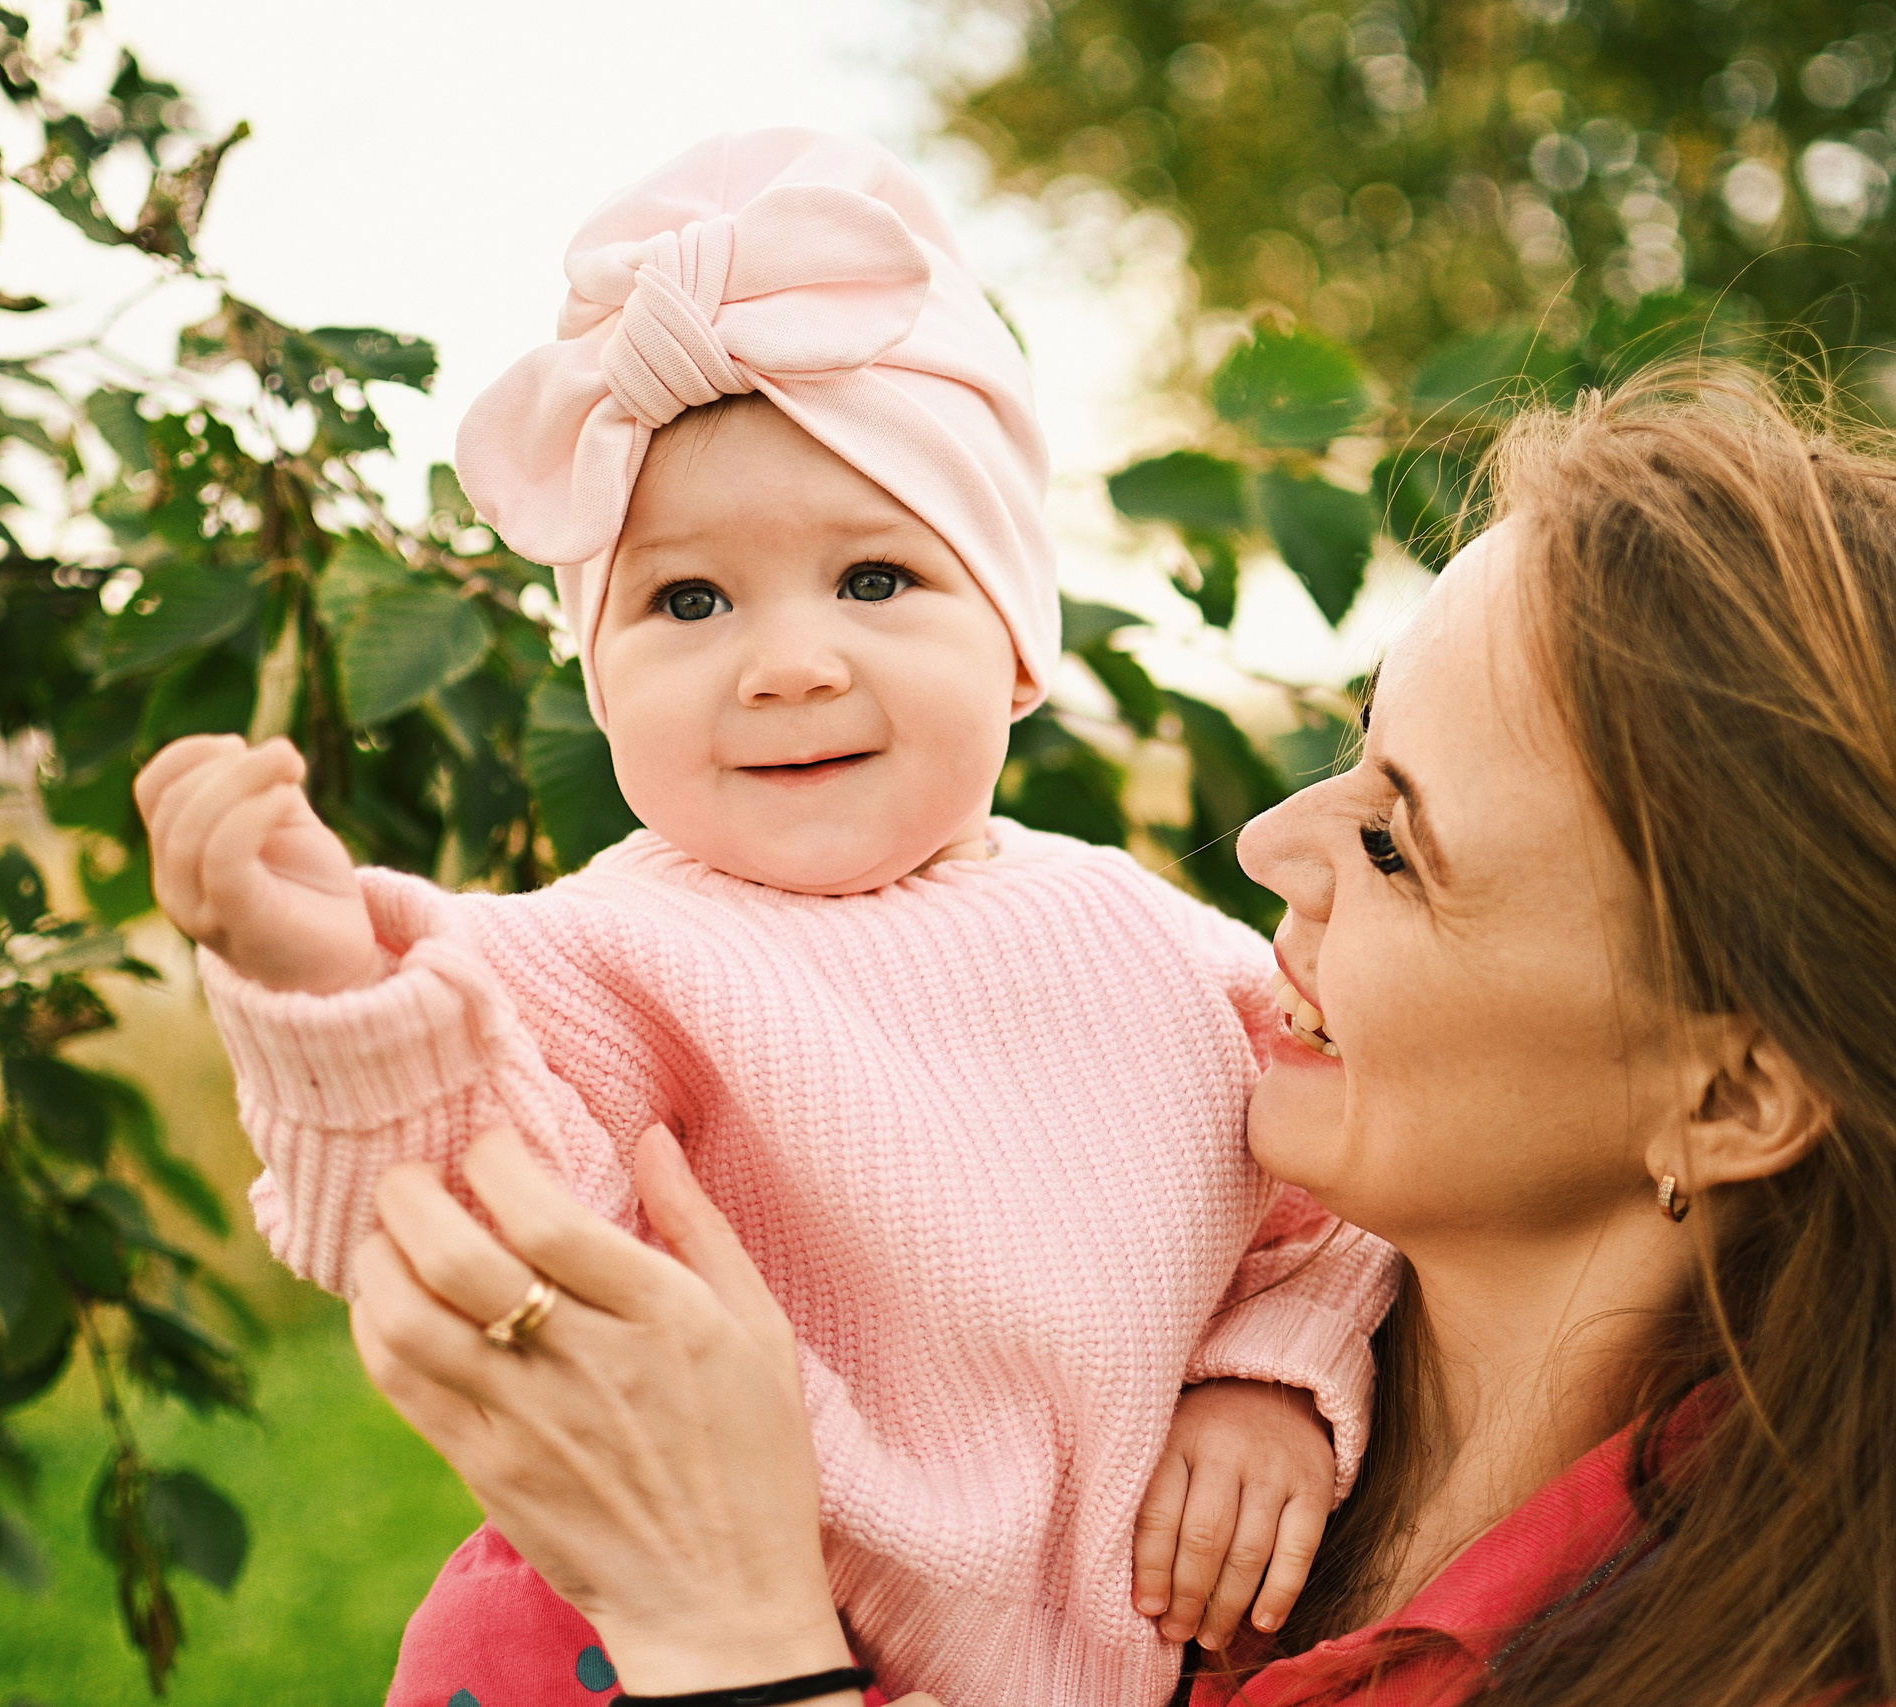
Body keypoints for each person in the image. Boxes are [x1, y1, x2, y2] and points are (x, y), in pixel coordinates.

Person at [348, 365, 1896, 1707]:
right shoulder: (1168, 1349)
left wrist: (732, 1636)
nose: (1272, 843)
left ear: (1734, 1086)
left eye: (1396, 838)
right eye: (1348, 752)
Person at [132, 130, 1397, 1707]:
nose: (787, 662)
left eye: (873, 581)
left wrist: (1269, 1380)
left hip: (1137, 1639)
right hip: (684, 1639)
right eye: (687, 602)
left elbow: (1337, 1201)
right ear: (603, 692)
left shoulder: (1152, 941)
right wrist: (315, 975)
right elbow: (432, 1230)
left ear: (1014, 647)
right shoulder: (592, 961)